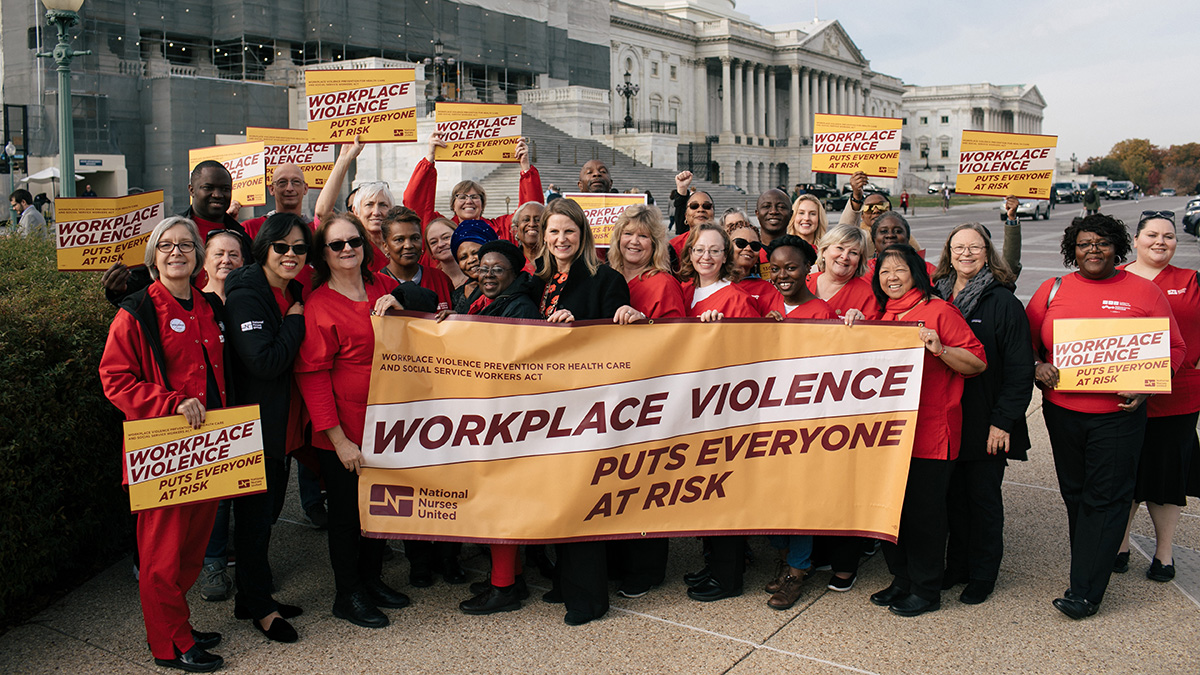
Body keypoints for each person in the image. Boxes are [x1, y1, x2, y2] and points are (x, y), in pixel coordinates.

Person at [1026, 213, 1186, 620]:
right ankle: (1088, 567)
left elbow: (1176, 349)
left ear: (1117, 247)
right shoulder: (1052, 289)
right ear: (1072, 250)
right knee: (1075, 495)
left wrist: (1148, 382)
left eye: (1102, 243)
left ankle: (1085, 591)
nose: (1093, 250)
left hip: (1117, 415)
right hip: (1062, 413)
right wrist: (1035, 365)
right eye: (1084, 244)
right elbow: (1024, 342)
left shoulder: (1143, 292)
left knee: (1107, 498)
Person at [294, 213, 438, 629]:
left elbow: (427, 309)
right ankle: (348, 593)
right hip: (347, 430)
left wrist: (403, 301)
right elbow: (312, 376)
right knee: (346, 517)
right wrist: (338, 440)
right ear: (323, 253)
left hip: (388, 426)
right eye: (336, 245)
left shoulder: (381, 284)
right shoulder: (320, 303)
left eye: (353, 241)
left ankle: (372, 581)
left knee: (377, 512)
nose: (347, 250)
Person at [99, 216, 229, 672]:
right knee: (161, 556)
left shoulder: (207, 306)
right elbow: (114, 379)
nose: (177, 252)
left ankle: (180, 623)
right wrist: (170, 402)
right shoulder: (136, 311)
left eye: (186, 246)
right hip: (160, 451)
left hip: (208, 449)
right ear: (154, 257)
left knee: (192, 550)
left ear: (197, 257)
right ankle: (169, 644)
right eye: (167, 246)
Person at [859, 244, 987, 618]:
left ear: (917, 271)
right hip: (887, 435)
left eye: (900, 270)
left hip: (930, 432)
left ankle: (927, 588)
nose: (892, 278)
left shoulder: (939, 311)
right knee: (889, 513)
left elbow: (977, 363)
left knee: (924, 515)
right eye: (884, 272)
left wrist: (940, 347)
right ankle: (902, 578)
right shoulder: (880, 315)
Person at [535, 198, 630, 626]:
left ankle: (588, 599)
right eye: (554, 232)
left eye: (569, 231)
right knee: (555, 497)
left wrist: (594, 325)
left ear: (584, 235)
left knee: (582, 500)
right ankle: (563, 582)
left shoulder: (605, 277)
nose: (561, 239)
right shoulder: (537, 279)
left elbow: (621, 343)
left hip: (590, 407)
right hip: (545, 406)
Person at [222, 212, 313, 643]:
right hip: (253, 429)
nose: (291, 255)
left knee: (268, 515)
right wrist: (296, 320)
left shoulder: (291, 289)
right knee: (255, 522)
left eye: (299, 248)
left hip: (281, 426)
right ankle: (261, 608)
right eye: (282, 247)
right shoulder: (246, 294)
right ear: (264, 249)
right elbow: (265, 362)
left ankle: (249, 597)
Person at [932, 223, 1034, 605]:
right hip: (946, 419)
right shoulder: (936, 296)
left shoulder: (1003, 302)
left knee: (983, 502)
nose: (966, 254)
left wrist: (1002, 422)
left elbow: (1020, 370)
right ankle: (956, 566)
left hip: (985, 420)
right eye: (959, 247)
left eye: (975, 247)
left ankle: (983, 573)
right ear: (949, 252)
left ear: (987, 252)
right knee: (953, 500)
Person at [456, 240, 543, 616]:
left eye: (497, 270)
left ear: (513, 274)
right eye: (483, 268)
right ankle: (511, 575)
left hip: (506, 419)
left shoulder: (520, 307)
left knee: (499, 504)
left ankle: (503, 587)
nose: (488, 275)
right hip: (491, 413)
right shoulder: (486, 301)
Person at [1116, 210, 1199, 583]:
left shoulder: (1192, 281)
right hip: (1120, 394)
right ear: (1136, 240)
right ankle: (1119, 544)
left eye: (1168, 236)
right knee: (1123, 474)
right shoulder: (1115, 280)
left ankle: (1163, 553)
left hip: (1177, 396)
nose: (1160, 242)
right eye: (1152, 235)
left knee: (1167, 476)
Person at [678, 224, 758, 604]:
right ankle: (712, 563)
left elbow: (753, 356)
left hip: (724, 411)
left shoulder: (736, 298)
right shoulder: (684, 292)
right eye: (699, 249)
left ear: (726, 256)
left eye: (714, 250)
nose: (705, 256)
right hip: (693, 410)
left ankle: (729, 576)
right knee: (703, 493)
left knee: (724, 492)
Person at [101, 162, 252, 301]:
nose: (218, 194)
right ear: (191, 190)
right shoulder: (167, 233)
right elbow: (143, 279)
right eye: (208, 187)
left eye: (225, 189)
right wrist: (119, 290)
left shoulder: (242, 237)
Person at [195, 229, 246, 603]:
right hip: (214, 413)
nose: (226, 260)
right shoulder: (198, 304)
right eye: (219, 254)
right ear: (205, 260)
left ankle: (249, 564)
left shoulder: (251, 302)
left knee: (251, 493)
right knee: (218, 497)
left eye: (234, 255)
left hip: (249, 408)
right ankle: (213, 563)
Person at [405, 131, 543, 246]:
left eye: (475, 197)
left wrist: (525, 167)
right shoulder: (440, 229)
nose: (469, 201)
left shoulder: (502, 229)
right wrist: (430, 158)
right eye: (462, 197)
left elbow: (531, 209)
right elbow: (416, 203)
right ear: (453, 204)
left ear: (482, 204)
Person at [314, 136, 394, 270]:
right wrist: (344, 159)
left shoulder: (400, 244)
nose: (376, 212)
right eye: (369, 205)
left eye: (383, 205)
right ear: (356, 211)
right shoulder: (350, 245)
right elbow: (322, 212)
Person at [609, 204, 686, 323]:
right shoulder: (607, 278)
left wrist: (644, 322)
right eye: (628, 233)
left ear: (655, 244)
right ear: (618, 239)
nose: (634, 241)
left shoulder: (665, 286)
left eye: (643, 236)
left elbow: (675, 335)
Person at [379, 206, 454, 312]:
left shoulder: (441, 279)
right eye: (399, 240)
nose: (408, 245)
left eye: (415, 238)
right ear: (385, 246)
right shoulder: (376, 285)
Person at [807, 225, 879, 320]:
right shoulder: (803, 283)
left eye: (853, 253)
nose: (845, 257)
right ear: (824, 251)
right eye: (840, 248)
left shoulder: (868, 297)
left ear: (860, 261)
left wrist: (862, 325)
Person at [763, 235, 836, 321]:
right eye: (775, 269)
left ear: (807, 267)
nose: (782, 275)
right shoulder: (763, 304)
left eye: (790, 268)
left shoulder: (823, 314)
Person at [242, 164, 310, 240]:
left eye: (296, 182)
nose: (289, 188)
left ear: (305, 189)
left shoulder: (317, 231)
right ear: (272, 189)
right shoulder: (249, 229)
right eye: (282, 182)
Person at [726, 219, 777, 314]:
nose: (748, 248)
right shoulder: (714, 283)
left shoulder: (768, 289)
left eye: (755, 246)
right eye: (740, 243)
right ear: (726, 246)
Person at [450, 220, 498, 314]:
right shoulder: (457, 295)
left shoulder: (509, 285)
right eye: (463, 257)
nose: (471, 260)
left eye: (475, 253)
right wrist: (466, 300)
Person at [867, 212, 936, 277]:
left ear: (907, 238)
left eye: (898, 231)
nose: (890, 235)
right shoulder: (863, 272)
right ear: (874, 238)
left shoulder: (929, 272)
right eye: (884, 231)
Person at [668, 171, 715, 254]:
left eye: (706, 206)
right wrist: (682, 189)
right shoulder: (673, 247)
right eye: (694, 206)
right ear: (686, 216)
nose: (700, 209)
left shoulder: (725, 243)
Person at [425, 218, 468, 290]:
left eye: (446, 237)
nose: (440, 244)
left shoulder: (477, 273)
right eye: (433, 242)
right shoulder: (431, 282)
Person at [510, 201, 545, 274]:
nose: (532, 224)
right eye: (526, 220)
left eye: (538, 220)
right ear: (516, 227)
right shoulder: (509, 263)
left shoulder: (557, 261)